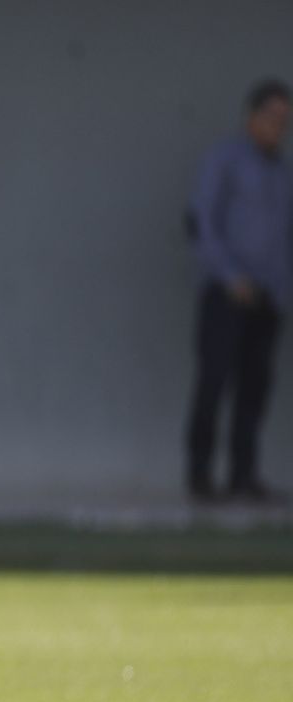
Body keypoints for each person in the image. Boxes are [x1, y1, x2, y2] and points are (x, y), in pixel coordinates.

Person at [185, 78, 293, 503]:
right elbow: (200, 222)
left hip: (270, 298)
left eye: (285, 121)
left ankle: (243, 476)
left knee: (255, 386)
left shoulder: (283, 173)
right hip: (226, 294)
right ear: (251, 117)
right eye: (271, 117)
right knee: (213, 382)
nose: (277, 127)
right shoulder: (225, 160)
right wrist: (231, 277)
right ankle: (199, 476)